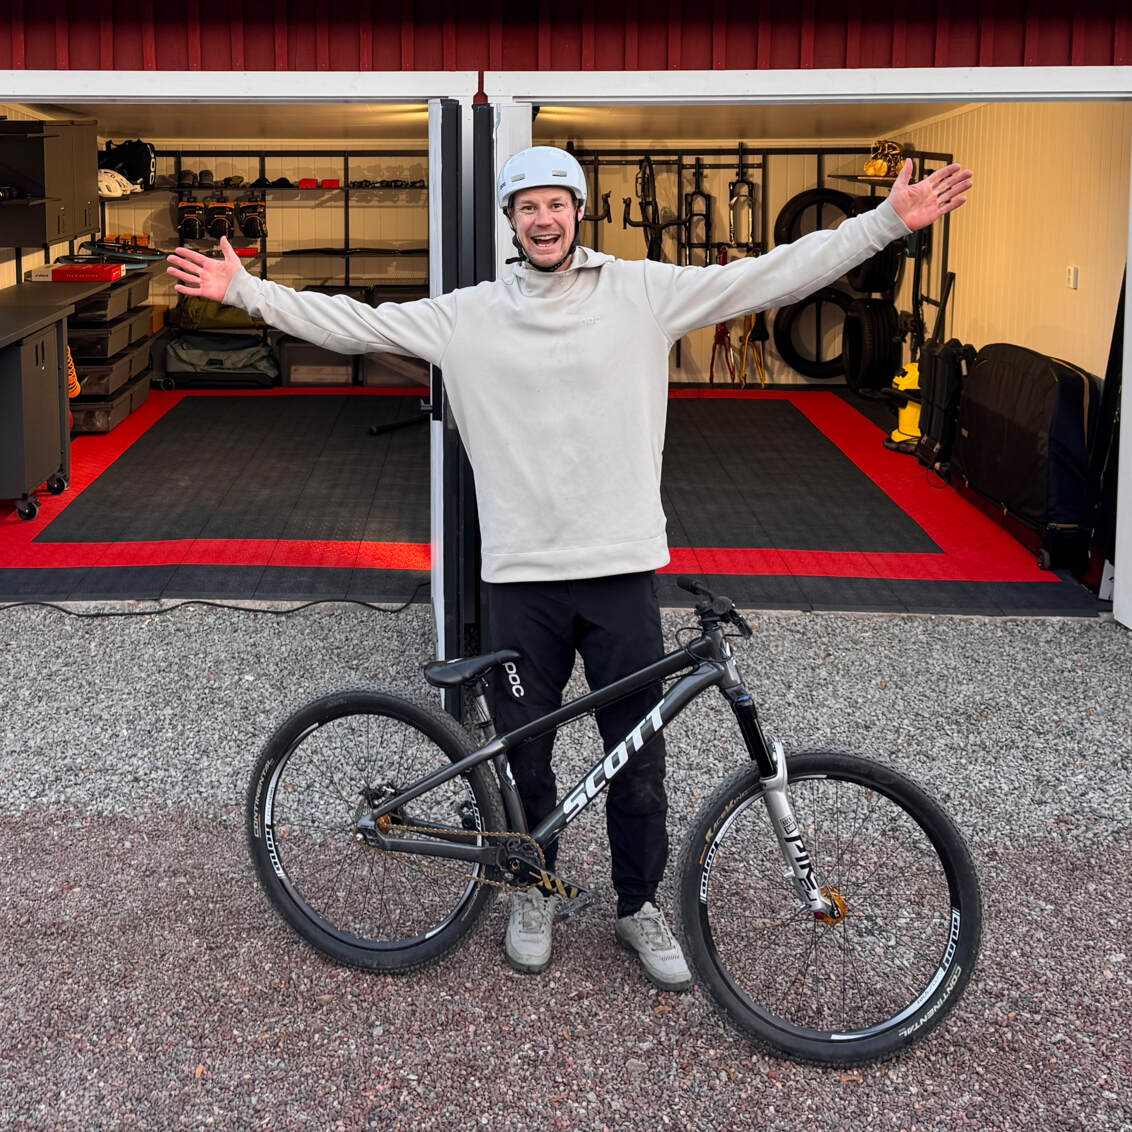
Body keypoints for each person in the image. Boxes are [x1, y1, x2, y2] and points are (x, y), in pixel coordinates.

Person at [167, 145, 972, 991]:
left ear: (579, 211)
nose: (543, 219)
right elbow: (353, 323)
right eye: (527, 207)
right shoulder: (466, 315)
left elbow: (771, 275)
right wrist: (246, 292)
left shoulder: (643, 293)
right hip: (519, 579)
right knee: (527, 757)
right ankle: (532, 888)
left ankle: (637, 905)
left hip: (622, 571)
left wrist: (886, 224)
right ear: (510, 222)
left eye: (557, 204)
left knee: (638, 759)